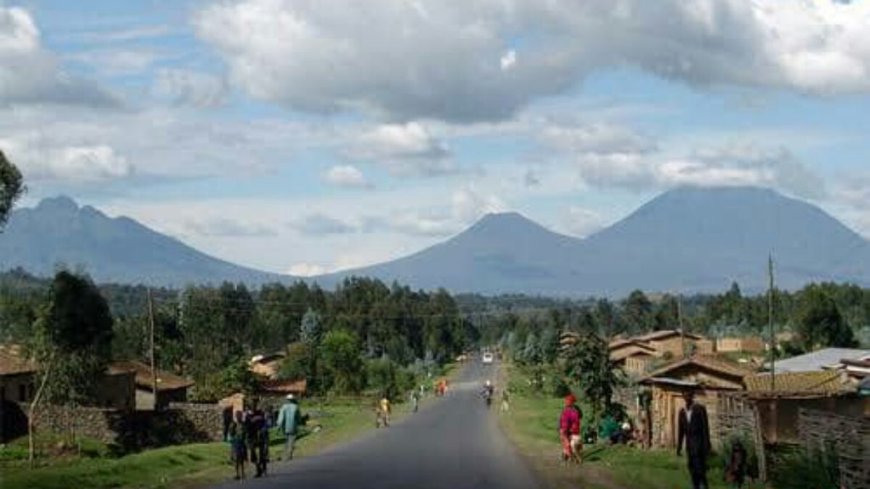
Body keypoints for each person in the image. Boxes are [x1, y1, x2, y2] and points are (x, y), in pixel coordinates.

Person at [677, 390, 712, 489]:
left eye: (689, 396)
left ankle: (704, 485)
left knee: (700, 468)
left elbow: (705, 428)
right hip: (690, 445)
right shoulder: (682, 412)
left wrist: (707, 445)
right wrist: (679, 447)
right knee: (691, 468)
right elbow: (681, 431)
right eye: (685, 396)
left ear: (692, 397)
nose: (687, 398)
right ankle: (695, 486)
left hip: (699, 443)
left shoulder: (699, 409)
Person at [276, 394, 302, 461]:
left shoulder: (283, 407)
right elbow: (299, 418)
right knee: (292, 441)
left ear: (287, 400)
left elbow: (281, 417)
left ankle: (285, 455)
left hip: (285, 427)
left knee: (286, 441)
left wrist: (279, 426)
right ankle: (289, 454)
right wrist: (299, 423)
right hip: (293, 427)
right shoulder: (296, 407)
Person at [246, 402, 269, 478]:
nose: (253, 408)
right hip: (252, 436)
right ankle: (258, 468)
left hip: (261, 436)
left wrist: (263, 431)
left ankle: (264, 469)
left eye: (254, 407)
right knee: (253, 454)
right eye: (251, 407)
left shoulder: (260, 414)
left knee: (262, 454)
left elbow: (265, 424)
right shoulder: (248, 416)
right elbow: (247, 427)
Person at [558, 394, 582, 465]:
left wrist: (563, 429)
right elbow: (563, 420)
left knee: (568, 444)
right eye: (566, 401)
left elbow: (564, 421)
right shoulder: (574, 409)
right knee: (568, 444)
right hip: (571, 430)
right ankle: (567, 458)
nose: (566, 402)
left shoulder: (569, 410)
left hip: (569, 430)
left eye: (567, 401)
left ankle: (569, 458)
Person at [228, 410, 247, 480]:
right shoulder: (233, 424)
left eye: (240, 415)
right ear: (236, 416)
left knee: (241, 458)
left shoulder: (243, 424)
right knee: (236, 459)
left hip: (241, 443)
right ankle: (237, 473)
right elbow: (230, 433)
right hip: (235, 443)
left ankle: (242, 473)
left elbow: (245, 433)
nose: (239, 417)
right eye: (238, 416)